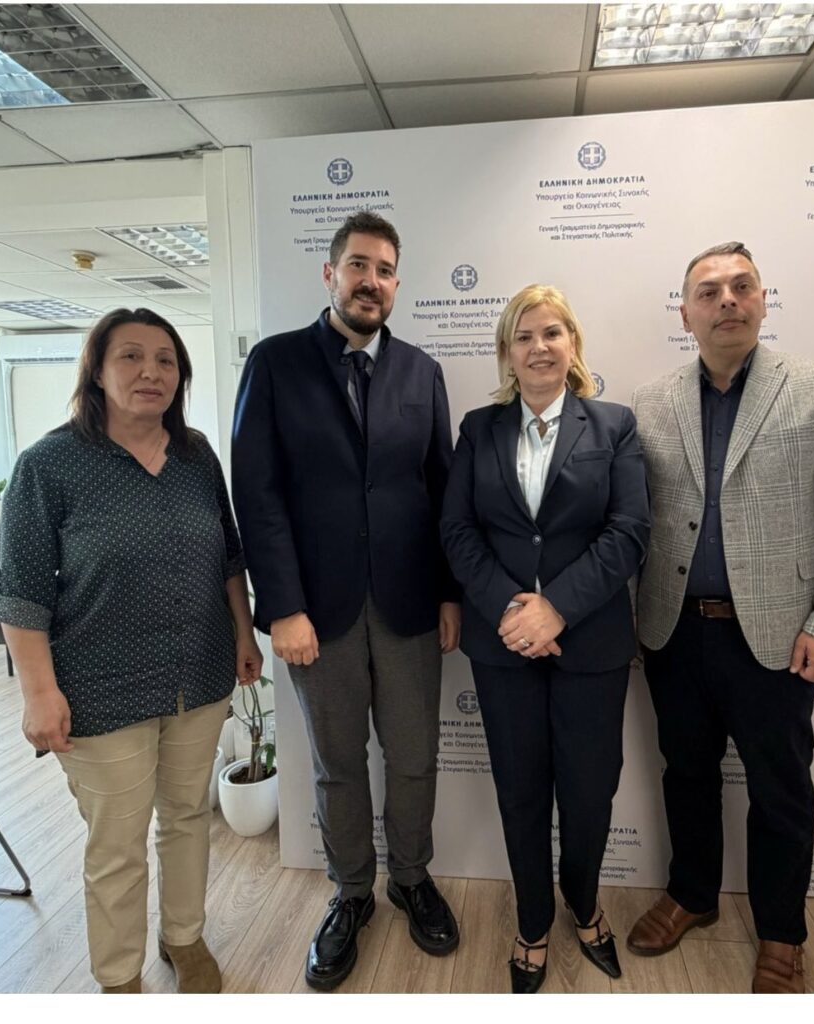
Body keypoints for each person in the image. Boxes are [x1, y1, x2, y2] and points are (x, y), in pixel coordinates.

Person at [627, 242, 814, 993]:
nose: (727, 300)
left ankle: (781, 932)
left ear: (764, 300)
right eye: (709, 292)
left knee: (779, 788)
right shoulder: (649, 402)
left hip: (777, 636)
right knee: (686, 774)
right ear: (686, 314)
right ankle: (692, 894)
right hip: (674, 631)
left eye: (742, 286)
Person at [0, 308, 262, 994]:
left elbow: (229, 557)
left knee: (187, 817)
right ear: (96, 371)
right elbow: (20, 593)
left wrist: (242, 633)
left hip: (198, 674)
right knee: (116, 845)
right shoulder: (48, 465)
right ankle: (119, 980)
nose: (151, 372)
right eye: (131, 356)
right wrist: (39, 694)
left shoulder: (196, 455)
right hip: (98, 688)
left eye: (166, 360)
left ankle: (185, 937)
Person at [231, 210, 461, 991]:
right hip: (315, 613)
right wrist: (282, 605)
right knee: (336, 765)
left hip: (408, 607)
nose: (371, 281)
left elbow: (441, 490)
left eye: (385, 269)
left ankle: (412, 879)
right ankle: (352, 892)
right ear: (330, 273)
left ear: (397, 284)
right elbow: (257, 492)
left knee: (414, 758)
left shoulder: (422, 373)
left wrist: (450, 594)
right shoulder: (275, 362)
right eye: (358, 265)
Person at [440, 284, 650, 994]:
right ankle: (532, 922)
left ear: (573, 345)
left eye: (552, 333)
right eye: (524, 336)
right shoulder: (479, 429)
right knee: (520, 792)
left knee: (589, 794)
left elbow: (629, 532)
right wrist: (513, 609)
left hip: (591, 645)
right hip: (503, 646)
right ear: (507, 352)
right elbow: (457, 530)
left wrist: (556, 609)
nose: (539, 347)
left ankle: (584, 907)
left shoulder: (614, 425)